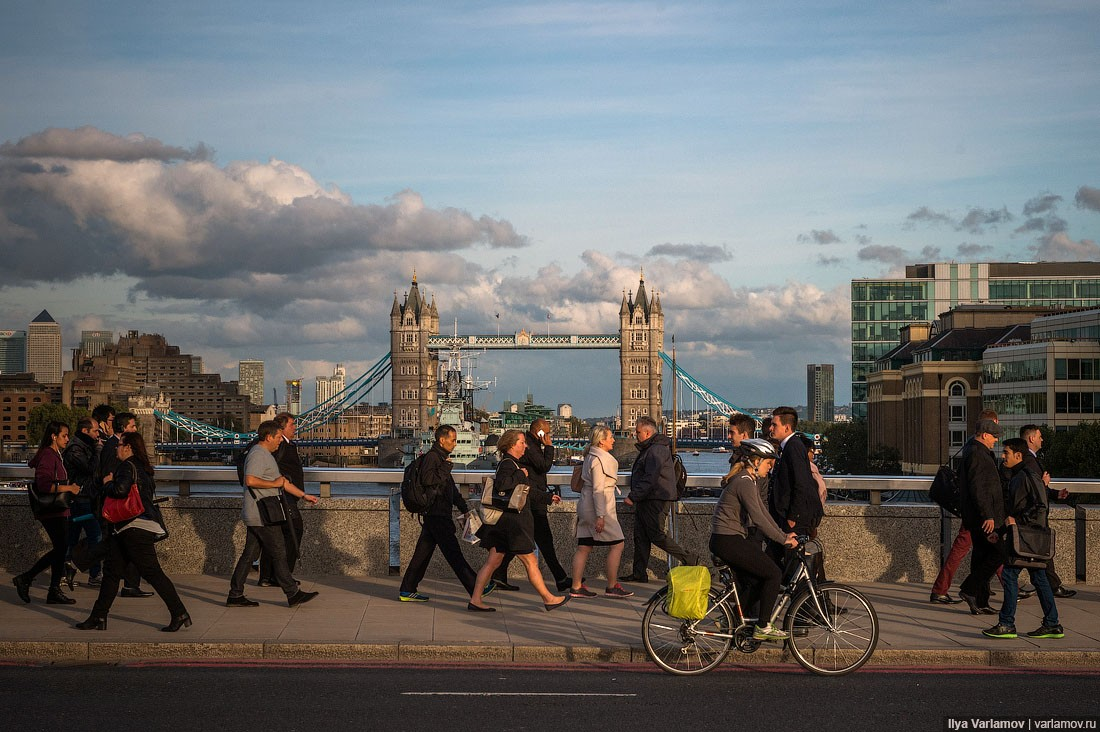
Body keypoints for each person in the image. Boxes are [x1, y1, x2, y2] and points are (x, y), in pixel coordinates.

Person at [74, 432, 191, 632]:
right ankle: (98, 616)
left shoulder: (127, 467)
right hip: (128, 528)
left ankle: (179, 613)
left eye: (119, 445)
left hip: (135, 527)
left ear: (128, 447)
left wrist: (108, 483)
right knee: (111, 573)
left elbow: (120, 491)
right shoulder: (142, 468)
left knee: (153, 573)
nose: (115, 448)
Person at [468, 430, 569, 612]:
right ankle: (548, 598)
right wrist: (521, 474)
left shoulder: (512, 464)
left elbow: (524, 491)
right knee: (530, 561)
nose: (525, 446)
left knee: (493, 562)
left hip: (502, 524)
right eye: (522, 442)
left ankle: (475, 599)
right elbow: (502, 485)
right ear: (512, 444)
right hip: (512, 525)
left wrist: (547, 497)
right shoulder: (508, 464)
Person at [711, 439, 798, 641]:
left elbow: (763, 514)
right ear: (755, 461)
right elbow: (758, 519)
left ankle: (730, 619)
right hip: (728, 540)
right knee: (774, 574)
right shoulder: (744, 482)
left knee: (756, 580)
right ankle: (763, 626)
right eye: (768, 463)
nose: (770, 467)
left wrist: (784, 535)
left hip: (727, 539)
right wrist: (783, 540)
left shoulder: (749, 480)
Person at [227, 420, 319, 608]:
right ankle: (292, 593)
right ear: (268, 437)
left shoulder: (266, 454)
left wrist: (304, 495)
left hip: (259, 514)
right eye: (278, 437)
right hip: (262, 514)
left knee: (249, 554)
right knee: (278, 552)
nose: (280, 441)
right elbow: (251, 480)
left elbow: (282, 481)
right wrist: (274, 484)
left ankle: (235, 595)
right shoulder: (258, 454)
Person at [399, 424, 493, 602]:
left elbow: (450, 489)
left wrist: (464, 509)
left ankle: (407, 589)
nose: (455, 444)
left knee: (422, 554)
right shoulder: (433, 458)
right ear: (442, 440)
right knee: (454, 554)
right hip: (437, 514)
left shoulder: (441, 458)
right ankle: (475, 587)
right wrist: (446, 468)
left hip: (436, 514)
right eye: (453, 440)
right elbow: (428, 480)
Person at [982, 438, 1063, 639]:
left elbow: (1040, 507)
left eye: (1006, 453)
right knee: (1039, 578)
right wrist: (1000, 532)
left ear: (1018, 455)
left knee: (1010, 576)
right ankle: (1052, 624)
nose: (1003, 456)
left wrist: (1017, 521)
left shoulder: (1028, 476)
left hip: (1027, 538)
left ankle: (1007, 624)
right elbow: (1013, 510)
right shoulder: (1018, 476)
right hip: (1024, 536)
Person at [492, 418, 570, 592]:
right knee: (537, 541)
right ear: (539, 432)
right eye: (547, 432)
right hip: (531, 500)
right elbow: (543, 466)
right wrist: (549, 446)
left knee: (523, 542)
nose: (548, 435)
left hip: (534, 497)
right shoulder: (530, 446)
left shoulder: (531, 445)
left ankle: (498, 576)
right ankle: (560, 579)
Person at [620, 415, 697, 583]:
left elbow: (650, 477)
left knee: (656, 535)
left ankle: (689, 559)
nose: (635, 434)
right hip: (648, 499)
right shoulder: (653, 448)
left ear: (647, 433)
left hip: (656, 499)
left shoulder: (656, 450)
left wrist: (633, 496)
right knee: (640, 536)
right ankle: (639, 573)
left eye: (638, 432)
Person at [12, 422, 81, 605]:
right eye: (64, 435)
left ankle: (52, 590)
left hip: (59, 509)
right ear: (53, 436)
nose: (67, 439)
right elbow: (43, 485)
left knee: (61, 549)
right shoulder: (48, 456)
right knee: (60, 548)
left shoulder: (55, 454)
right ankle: (27, 578)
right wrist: (70, 488)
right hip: (52, 510)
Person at [91, 409, 151, 598]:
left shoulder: (123, 447)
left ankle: (129, 586)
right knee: (115, 551)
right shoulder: (113, 447)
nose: (135, 429)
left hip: (125, 509)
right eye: (133, 426)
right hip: (118, 508)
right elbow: (108, 477)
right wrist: (113, 484)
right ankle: (73, 563)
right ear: (124, 428)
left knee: (118, 554)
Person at [569, 426, 632, 599]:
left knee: (584, 546)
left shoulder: (591, 456)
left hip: (586, 505)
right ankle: (611, 585)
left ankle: (576, 586)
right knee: (618, 543)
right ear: (601, 441)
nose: (613, 440)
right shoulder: (599, 460)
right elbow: (598, 490)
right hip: (598, 507)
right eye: (611, 437)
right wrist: (601, 516)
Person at [1020, 424, 1075, 599]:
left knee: (1038, 552)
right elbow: (1032, 489)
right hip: (1034, 514)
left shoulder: (1030, 458)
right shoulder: (1028, 460)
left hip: (1035, 513)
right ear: (1031, 438)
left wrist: (1055, 493)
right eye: (1040, 436)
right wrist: (1044, 485)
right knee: (1037, 552)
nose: (1042, 439)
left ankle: (1052, 585)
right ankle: (1052, 586)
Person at [957, 418, 1004, 615]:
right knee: (999, 553)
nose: (996, 441)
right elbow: (979, 488)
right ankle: (969, 590)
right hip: (983, 517)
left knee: (981, 556)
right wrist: (988, 515)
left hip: (977, 516)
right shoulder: (977, 454)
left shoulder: (976, 451)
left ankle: (980, 600)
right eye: (994, 437)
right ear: (985, 435)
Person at [765, 406, 823, 567]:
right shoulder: (789, 447)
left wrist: (793, 518)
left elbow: (802, 484)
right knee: (776, 564)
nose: (770, 428)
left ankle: (807, 591)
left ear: (787, 427)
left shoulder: (793, 447)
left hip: (792, 520)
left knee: (787, 564)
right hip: (786, 518)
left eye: (774, 424)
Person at [259, 412, 308, 586]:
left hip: (285, 495)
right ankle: (283, 576)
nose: (295, 428)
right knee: (294, 531)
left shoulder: (286, 445)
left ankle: (267, 576)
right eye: (292, 425)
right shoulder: (279, 446)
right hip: (284, 496)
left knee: (275, 535)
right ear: (281, 428)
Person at [62, 416, 102, 589]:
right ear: (85, 431)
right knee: (95, 536)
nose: (97, 435)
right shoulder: (75, 449)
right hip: (80, 500)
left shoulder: (84, 446)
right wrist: (98, 449)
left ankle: (66, 574)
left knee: (72, 538)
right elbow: (90, 468)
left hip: (85, 499)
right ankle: (94, 575)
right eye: (95, 431)